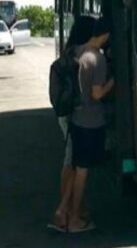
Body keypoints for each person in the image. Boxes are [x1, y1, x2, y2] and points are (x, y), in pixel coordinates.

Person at [51, 16, 114, 233]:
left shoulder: (75, 50)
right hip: (90, 121)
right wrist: (113, 82)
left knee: (74, 164)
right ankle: (74, 217)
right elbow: (97, 94)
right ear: (105, 35)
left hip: (74, 118)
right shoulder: (97, 59)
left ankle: (64, 210)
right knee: (82, 170)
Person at [49, 15, 94, 232]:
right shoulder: (85, 55)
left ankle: (71, 208)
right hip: (78, 113)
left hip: (64, 113)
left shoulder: (68, 53)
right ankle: (64, 210)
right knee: (75, 162)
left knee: (70, 160)